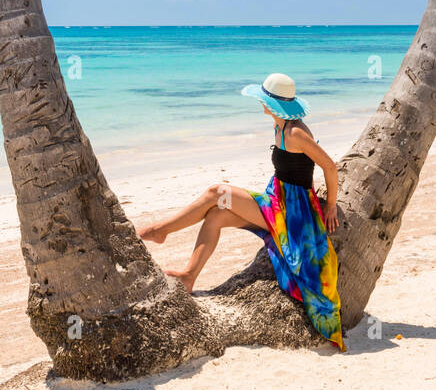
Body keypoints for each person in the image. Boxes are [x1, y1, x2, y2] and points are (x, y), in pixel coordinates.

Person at [138, 72, 345, 351]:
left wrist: (330, 204)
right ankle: (188, 276)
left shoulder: (295, 132)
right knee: (216, 215)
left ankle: (159, 230)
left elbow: (329, 167)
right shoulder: (280, 124)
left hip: (292, 212)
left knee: (216, 192)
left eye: (263, 99)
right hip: (277, 197)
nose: (260, 104)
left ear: (271, 103)